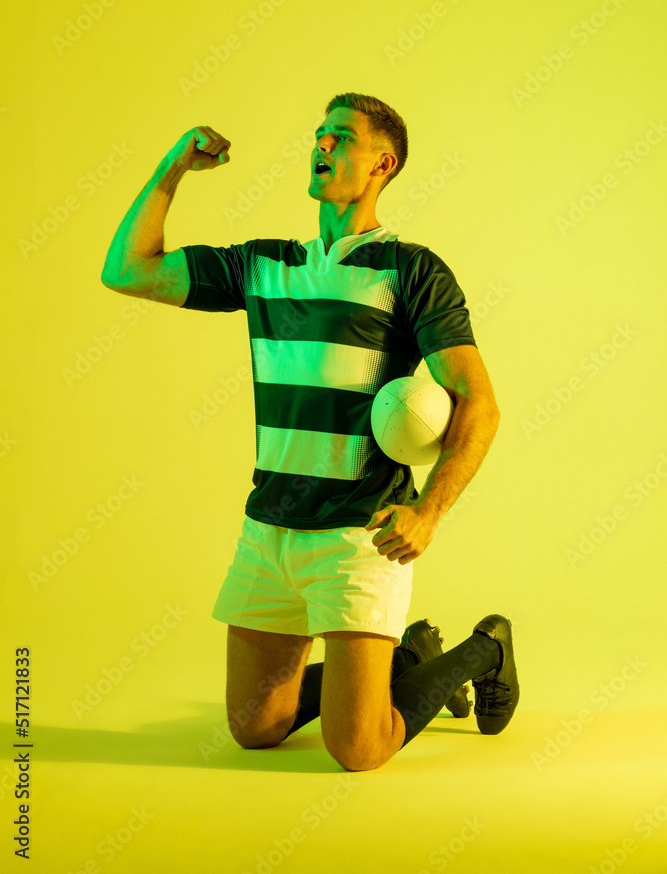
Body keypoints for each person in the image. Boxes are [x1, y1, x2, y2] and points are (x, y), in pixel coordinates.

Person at [101, 92, 519, 772]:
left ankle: (485, 649)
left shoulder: (410, 270)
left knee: (359, 749)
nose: (320, 145)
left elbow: (479, 401)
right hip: (269, 528)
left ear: (381, 162)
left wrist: (428, 512)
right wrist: (172, 167)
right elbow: (128, 270)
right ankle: (405, 654)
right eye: (318, 135)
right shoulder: (263, 266)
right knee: (255, 727)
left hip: (360, 532)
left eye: (339, 137)